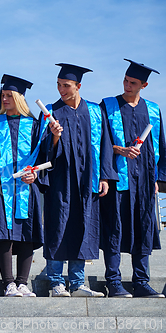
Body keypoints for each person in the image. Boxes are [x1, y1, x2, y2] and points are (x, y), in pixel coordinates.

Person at [39, 63, 117, 297]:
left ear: (78, 86)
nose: (61, 89)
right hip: (60, 182)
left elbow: (105, 146)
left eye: (66, 85)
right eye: (58, 85)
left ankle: (77, 282)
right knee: (58, 227)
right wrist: (53, 137)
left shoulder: (94, 111)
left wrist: (104, 176)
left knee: (84, 227)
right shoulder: (51, 112)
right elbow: (44, 152)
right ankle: (55, 282)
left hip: (87, 181)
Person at [100, 59, 166, 298]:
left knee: (143, 228)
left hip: (145, 182)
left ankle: (141, 281)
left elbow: (160, 146)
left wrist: (157, 178)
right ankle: (114, 281)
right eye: (126, 80)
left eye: (133, 83)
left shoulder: (153, 110)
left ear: (144, 85)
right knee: (114, 229)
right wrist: (120, 150)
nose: (127, 85)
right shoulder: (108, 106)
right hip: (118, 179)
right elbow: (99, 143)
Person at [0, 75, 47, 297]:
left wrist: (36, 175)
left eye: (9, 95)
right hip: (1, 189)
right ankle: (8, 283)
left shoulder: (36, 126)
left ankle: (22, 283)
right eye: (3, 95)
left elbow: (46, 157)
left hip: (27, 189)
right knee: (5, 233)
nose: (5, 99)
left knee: (27, 233)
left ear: (19, 98)